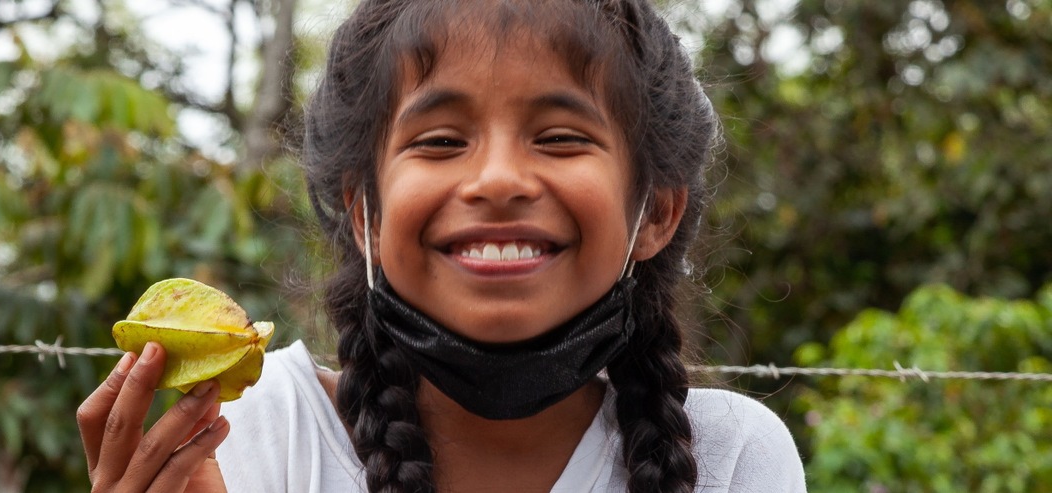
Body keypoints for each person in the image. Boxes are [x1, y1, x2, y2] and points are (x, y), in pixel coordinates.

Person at [77, 0, 808, 491]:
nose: (496, 179)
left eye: (559, 137)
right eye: (440, 140)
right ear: (362, 211)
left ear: (655, 213)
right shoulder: (253, 429)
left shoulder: (729, 457)